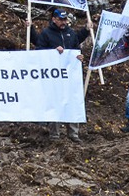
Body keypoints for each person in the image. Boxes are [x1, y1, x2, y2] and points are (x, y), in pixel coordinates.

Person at [35, 7, 93, 142]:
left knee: (72, 101)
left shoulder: (71, 33)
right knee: (56, 102)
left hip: (70, 75)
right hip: (54, 76)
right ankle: (54, 134)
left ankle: (73, 133)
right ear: (54, 19)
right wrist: (53, 51)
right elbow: (39, 51)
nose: (63, 22)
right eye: (61, 19)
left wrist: (79, 57)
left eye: (65, 19)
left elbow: (76, 48)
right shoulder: (46, 34)